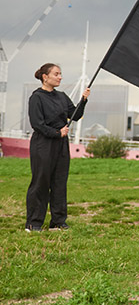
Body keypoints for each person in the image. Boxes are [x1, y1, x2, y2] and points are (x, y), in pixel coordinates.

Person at [25, 63, 89, 232]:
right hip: (43, 144)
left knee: (60, 183)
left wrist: (83, 100)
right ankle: (34, 223)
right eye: (56, 74)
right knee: (41, 182)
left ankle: (58, 222)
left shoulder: (61, 96)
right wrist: (57, 132)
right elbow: (37, 124)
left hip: (61, 145)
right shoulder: (36, 98)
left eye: (60, 74)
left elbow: (75, 115)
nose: (60, 77)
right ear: (45, 77)